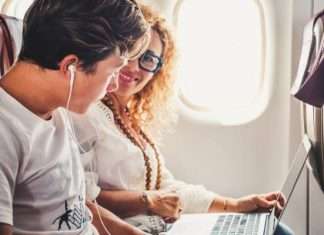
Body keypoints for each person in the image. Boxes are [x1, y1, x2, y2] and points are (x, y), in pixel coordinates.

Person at [79, 4, 294, 235]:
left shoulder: (129, 118)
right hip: (130, 229)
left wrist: (236, 205)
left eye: (149, 59)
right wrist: (147, 201)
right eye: (131, 51)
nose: (134, 67)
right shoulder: (87, 113)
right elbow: (84, 196)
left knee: (275, 230)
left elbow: (166, 187)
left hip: (160, 226)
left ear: (158, 70)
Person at [0, 0, 152, 234]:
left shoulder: (57, 111)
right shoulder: (6, 132)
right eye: (113, 71)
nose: (113, 86)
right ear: (70, 66)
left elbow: (73, 210)